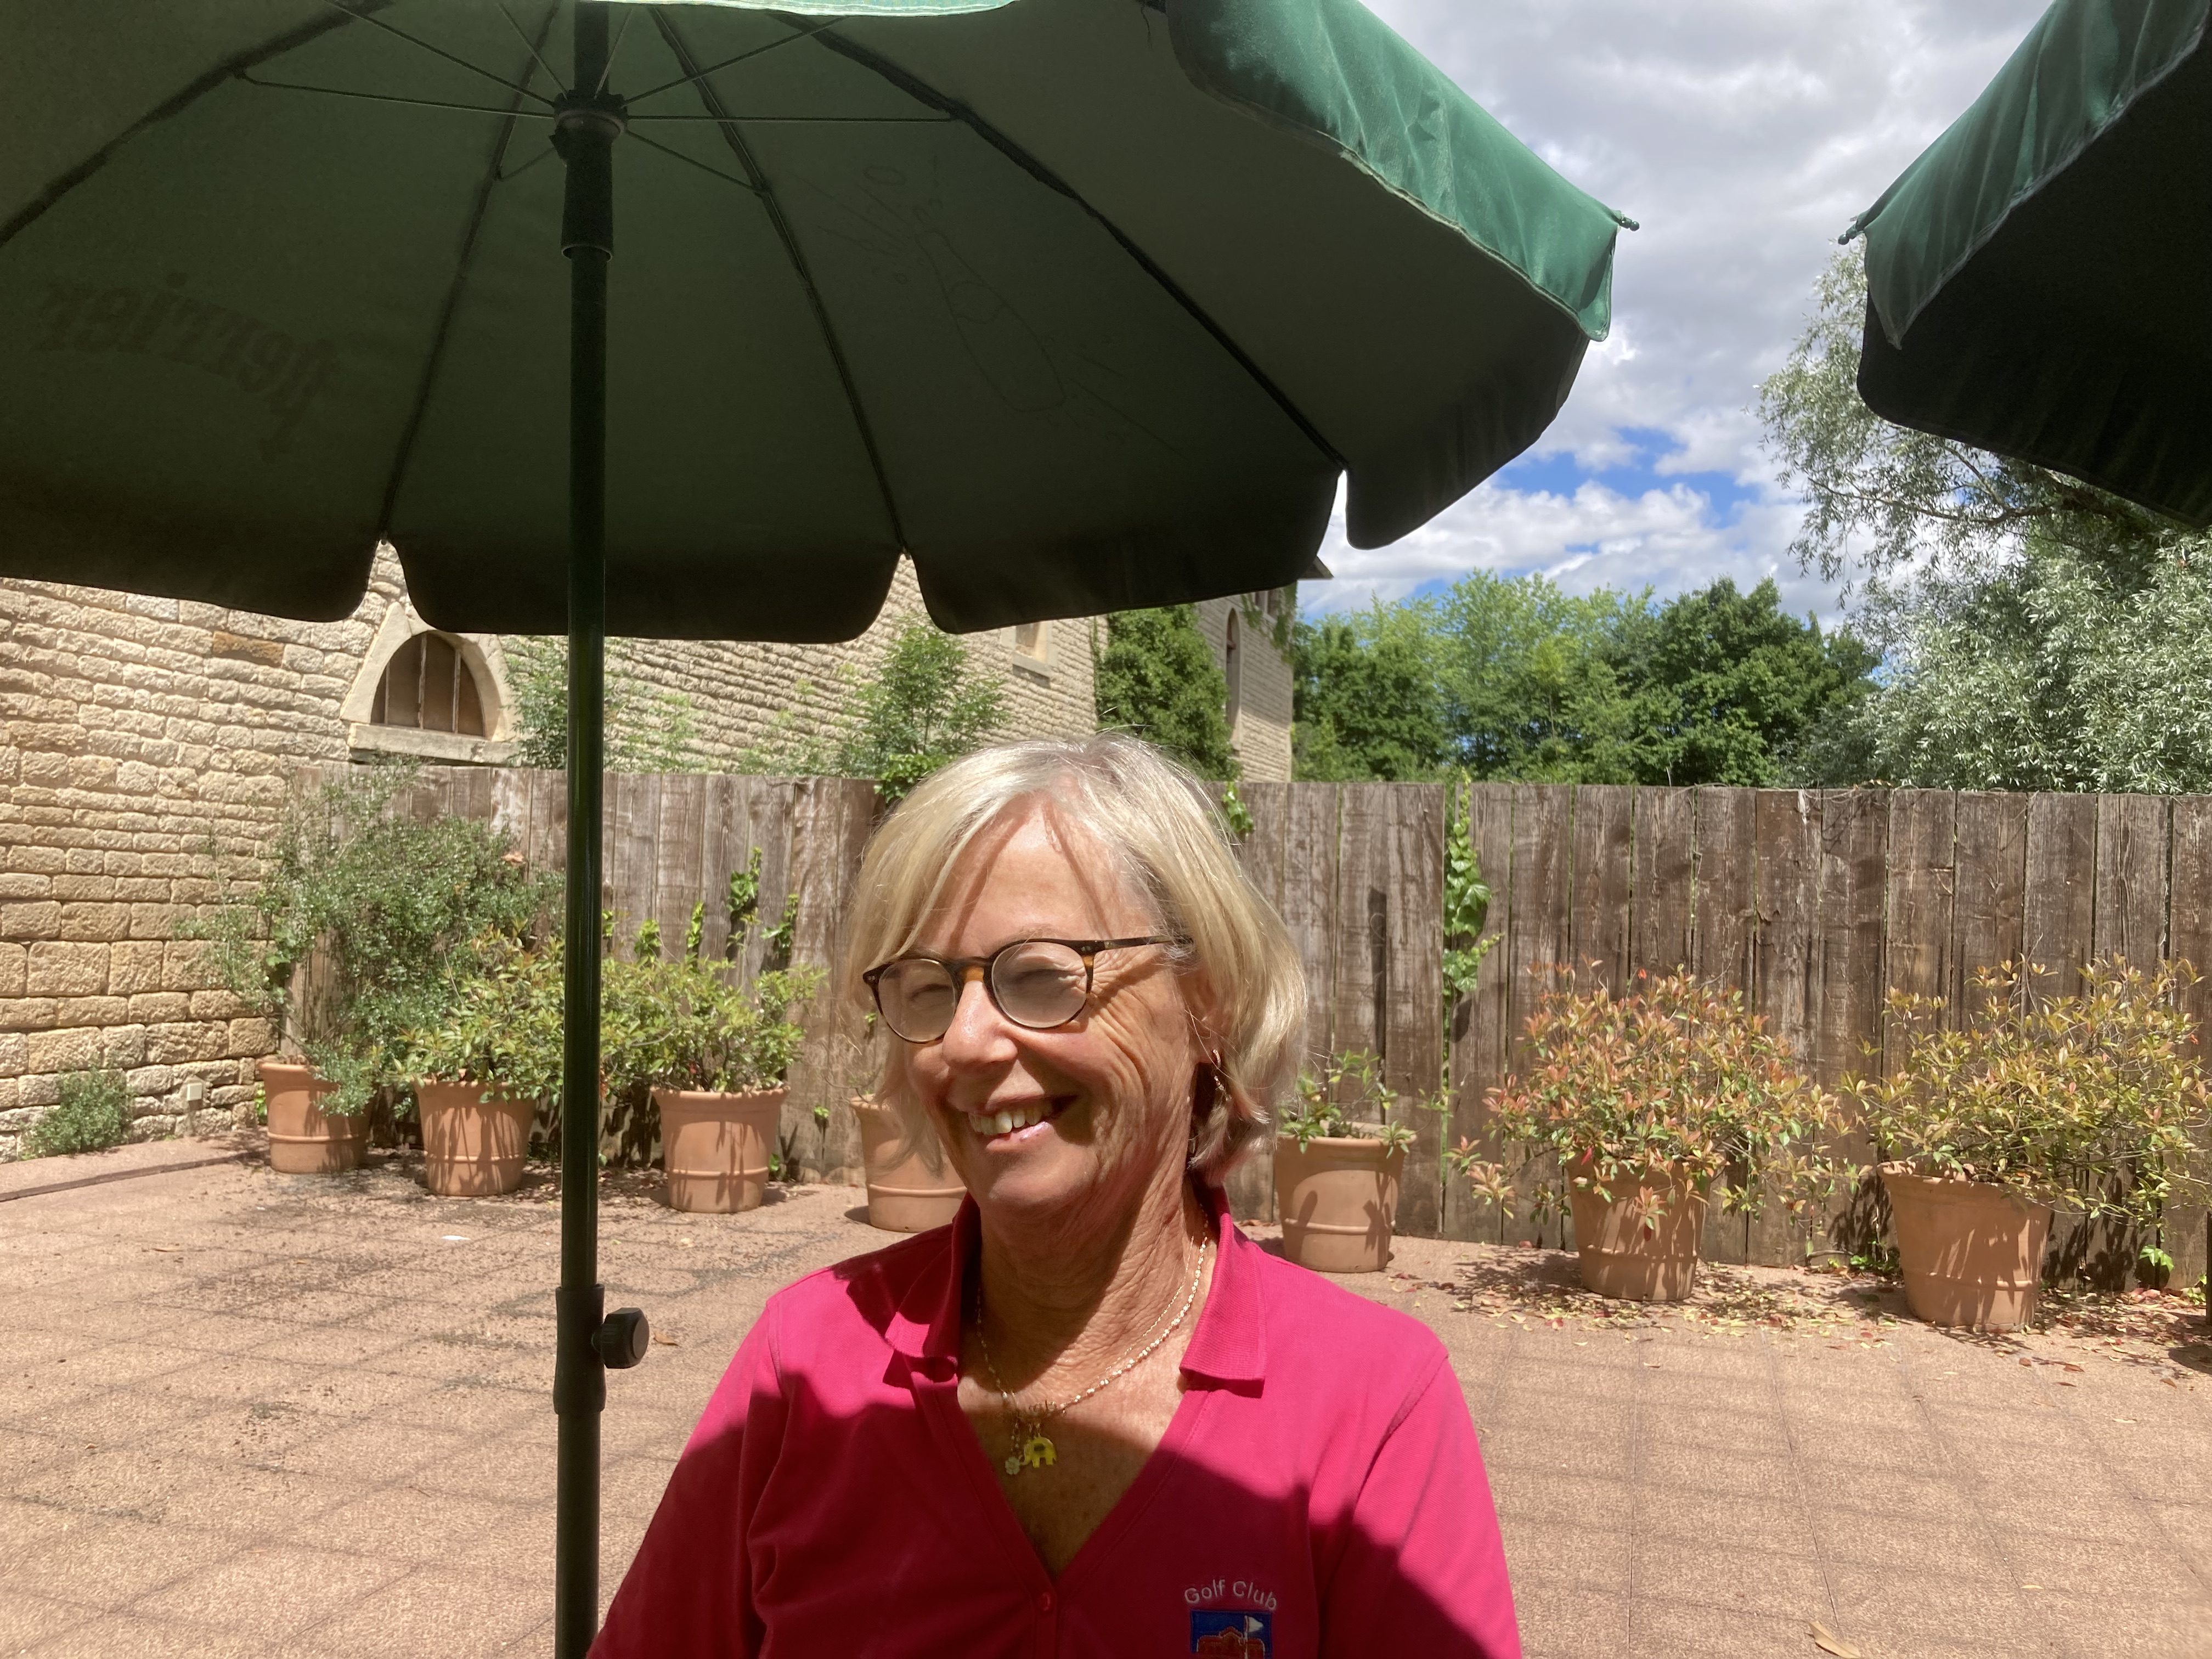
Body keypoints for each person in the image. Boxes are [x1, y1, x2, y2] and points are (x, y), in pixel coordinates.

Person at [592, 735, 1519, 1658]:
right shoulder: (805, 1363)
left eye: (1038, 976)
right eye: (926, 988)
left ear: (1209, 1002)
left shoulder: (1373, 1405)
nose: (963, 1044)